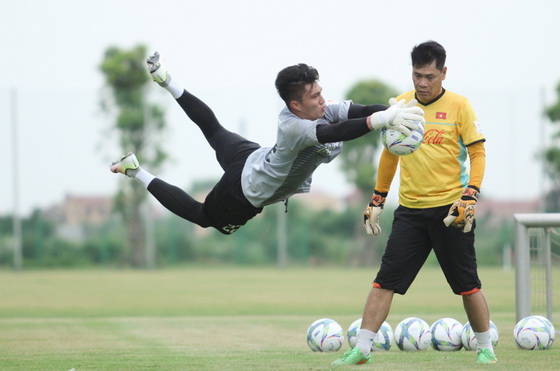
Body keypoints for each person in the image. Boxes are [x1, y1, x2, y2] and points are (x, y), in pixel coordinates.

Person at [109, 52, 424, 235]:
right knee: (202, 216)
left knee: (213, 129)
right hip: (243, 192)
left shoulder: (321, 107)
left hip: (252, 158)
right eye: (314, 96)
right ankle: (135, 169)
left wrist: (390, 111)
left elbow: (361, 111)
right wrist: (381, 121)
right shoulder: (294, 128)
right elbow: (333, 134)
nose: (322, 100)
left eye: (320, 91)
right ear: (295, 105)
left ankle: (165, 79)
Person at [332, 40, 497, 366]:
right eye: (417, 75)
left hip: (452, 210)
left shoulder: (460, 106)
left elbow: (477, 153)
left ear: (443, 73)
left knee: (468, 285)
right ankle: (362, 350)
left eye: (429, 76)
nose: (422, 82)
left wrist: (470, 195)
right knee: (384, 280)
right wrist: (377, 199)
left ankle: (486, 348)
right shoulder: (402, 105)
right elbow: (390, 153)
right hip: (410, 213)